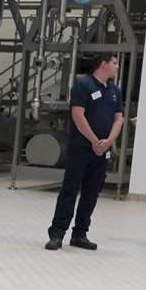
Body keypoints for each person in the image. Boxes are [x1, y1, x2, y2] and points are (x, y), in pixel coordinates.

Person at [46, 54, 123, 250]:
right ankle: (57, 233)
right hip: (81, 147)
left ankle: (80, 234)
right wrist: (94, 140)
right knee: (70, 190)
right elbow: (78, 115)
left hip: (102, 150)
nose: (117, 66)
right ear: (103, 64)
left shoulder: (115, 90)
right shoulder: (83, 85)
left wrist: (109, 141)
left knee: (92, 192)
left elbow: (119, 118)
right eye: (114, 63)